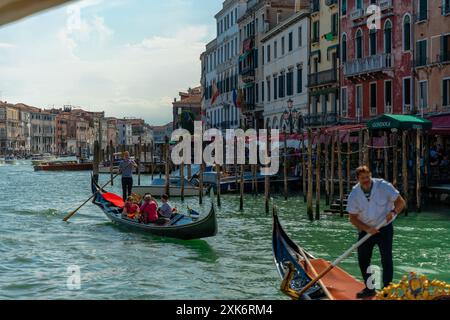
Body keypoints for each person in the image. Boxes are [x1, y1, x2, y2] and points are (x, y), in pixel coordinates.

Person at [346, 166, 406, 299]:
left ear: (370, 175)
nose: (366, 180)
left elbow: (401, 202)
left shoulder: (384, 186)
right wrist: (367, 229)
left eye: (368, 177)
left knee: (386, 259)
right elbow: (353, 218)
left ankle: (387, 290)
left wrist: (394, 212)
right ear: (357, 179)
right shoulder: (354, 194)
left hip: (384, 227)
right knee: (363, 259)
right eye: (363, 178)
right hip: (366, 230)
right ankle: (369, 289)